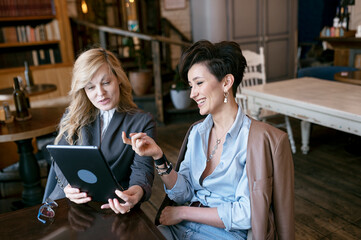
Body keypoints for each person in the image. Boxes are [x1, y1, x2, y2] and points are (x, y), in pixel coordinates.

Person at [123, 40, 295, 239]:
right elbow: (183, 193)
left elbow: (246, 213)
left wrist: (183, 212)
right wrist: (158, 156)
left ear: (226, 82)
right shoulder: (197, 132)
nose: (193, 93)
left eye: (199, 83)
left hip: (225, 234)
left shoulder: (254, 140)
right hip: (182, 227)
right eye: (190, 85)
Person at [47, 48, 155, 215]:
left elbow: (142, 170)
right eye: (90, 87)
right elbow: (60, 158)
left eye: (106, 83)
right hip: (68, 203)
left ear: (118, 78)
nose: (100, 93)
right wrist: (67, 186)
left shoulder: (142, 121)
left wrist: (136, 192)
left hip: (112, 206)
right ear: (83, 89)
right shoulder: (73, 116)